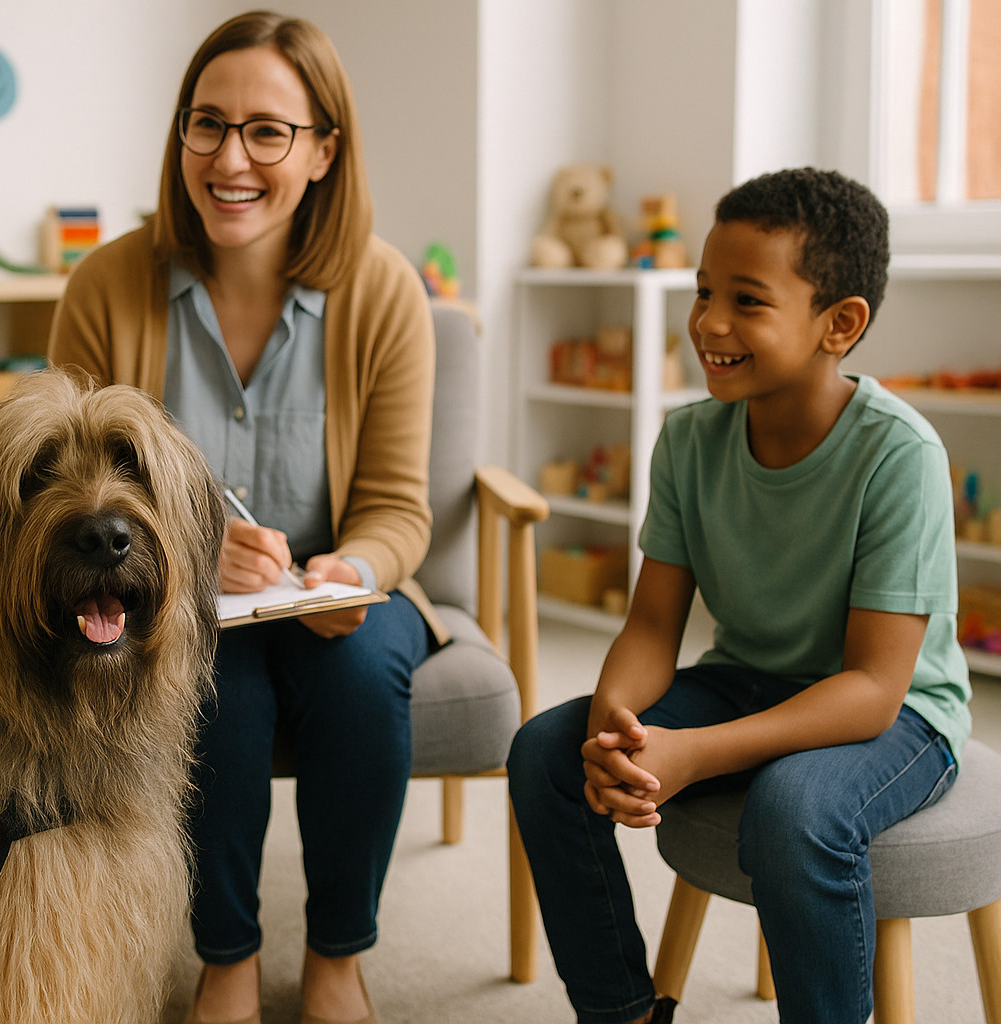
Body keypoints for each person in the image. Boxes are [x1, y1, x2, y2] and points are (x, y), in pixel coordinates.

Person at [47, 12, 443, 1024]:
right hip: (169, 597)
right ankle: (224, 956)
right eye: (206, 124)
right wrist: (188, 551)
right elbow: (67, 484)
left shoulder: (386, 291)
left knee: (360, 675)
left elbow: (399, 506)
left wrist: (349, 568)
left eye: (268, 131)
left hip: (340, 593)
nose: (230, 157)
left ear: (323, 151)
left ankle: (336, 956)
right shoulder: (107, 285)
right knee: (209, 681)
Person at [507, 167, 971, 1024]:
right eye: (703, 291)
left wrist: (695, 753)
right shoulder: (688, 439)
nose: (709, 324)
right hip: (749, 676)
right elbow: (651, 626)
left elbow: (872, 691)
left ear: (841, 324)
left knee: (792, 812)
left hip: (900, 714)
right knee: (545, 751)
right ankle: (622, 1013)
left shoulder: (900, 455)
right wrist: (616, 722)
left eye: (747, 301)